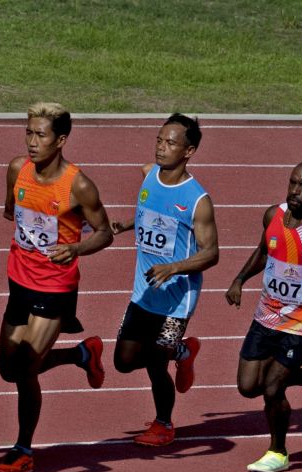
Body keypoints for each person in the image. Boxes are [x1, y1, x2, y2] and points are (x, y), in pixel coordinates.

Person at [0, 102, 113, 472]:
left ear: (60, 140)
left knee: (26, 368)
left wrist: (75, 247)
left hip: (55, 286)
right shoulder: (17, 169)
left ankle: (24, 448)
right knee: (8, 369)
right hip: (19, 280)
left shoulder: (78, 185)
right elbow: (11, 211)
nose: (32, 142)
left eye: (40, 135)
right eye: (28, 132)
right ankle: (81, 355)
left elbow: (106, 233)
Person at [108, 114, 219, 446]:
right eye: (159, 140)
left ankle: (164, 424)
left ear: (189, 151)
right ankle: (182, 352)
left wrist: (174, 268)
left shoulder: (198, 200)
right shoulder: (149, 174)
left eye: (171, 143)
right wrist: (127, 225)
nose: (161, 148)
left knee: (157, 364)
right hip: (143, 293)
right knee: (124, 361)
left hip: (176, 301)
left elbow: (211, 253)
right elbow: (153, 213)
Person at [226, 160, 302, 472]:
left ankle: (278, 451)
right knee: (249, 386)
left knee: (273, 388)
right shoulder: (272, 214)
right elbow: (263, 252)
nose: (295, 190)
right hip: (266, 316)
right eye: (293, 182)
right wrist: (239, 279)